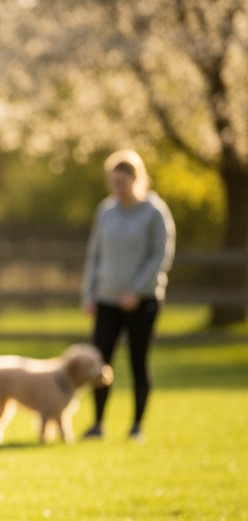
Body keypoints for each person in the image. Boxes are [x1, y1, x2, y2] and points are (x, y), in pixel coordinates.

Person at [81, 150, 175, 443]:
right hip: (106, 299)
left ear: (137, 179)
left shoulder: (154, 211)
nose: (117, 189)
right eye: (114, 183)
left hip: (142, 300)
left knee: (138, 361)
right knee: (99, 361)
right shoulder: (106, 211)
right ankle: (97, 423)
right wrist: (89, 293)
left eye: (122, 182)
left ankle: (136, 425)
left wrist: (135, 290)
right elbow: (94, 254)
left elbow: (160, 255)